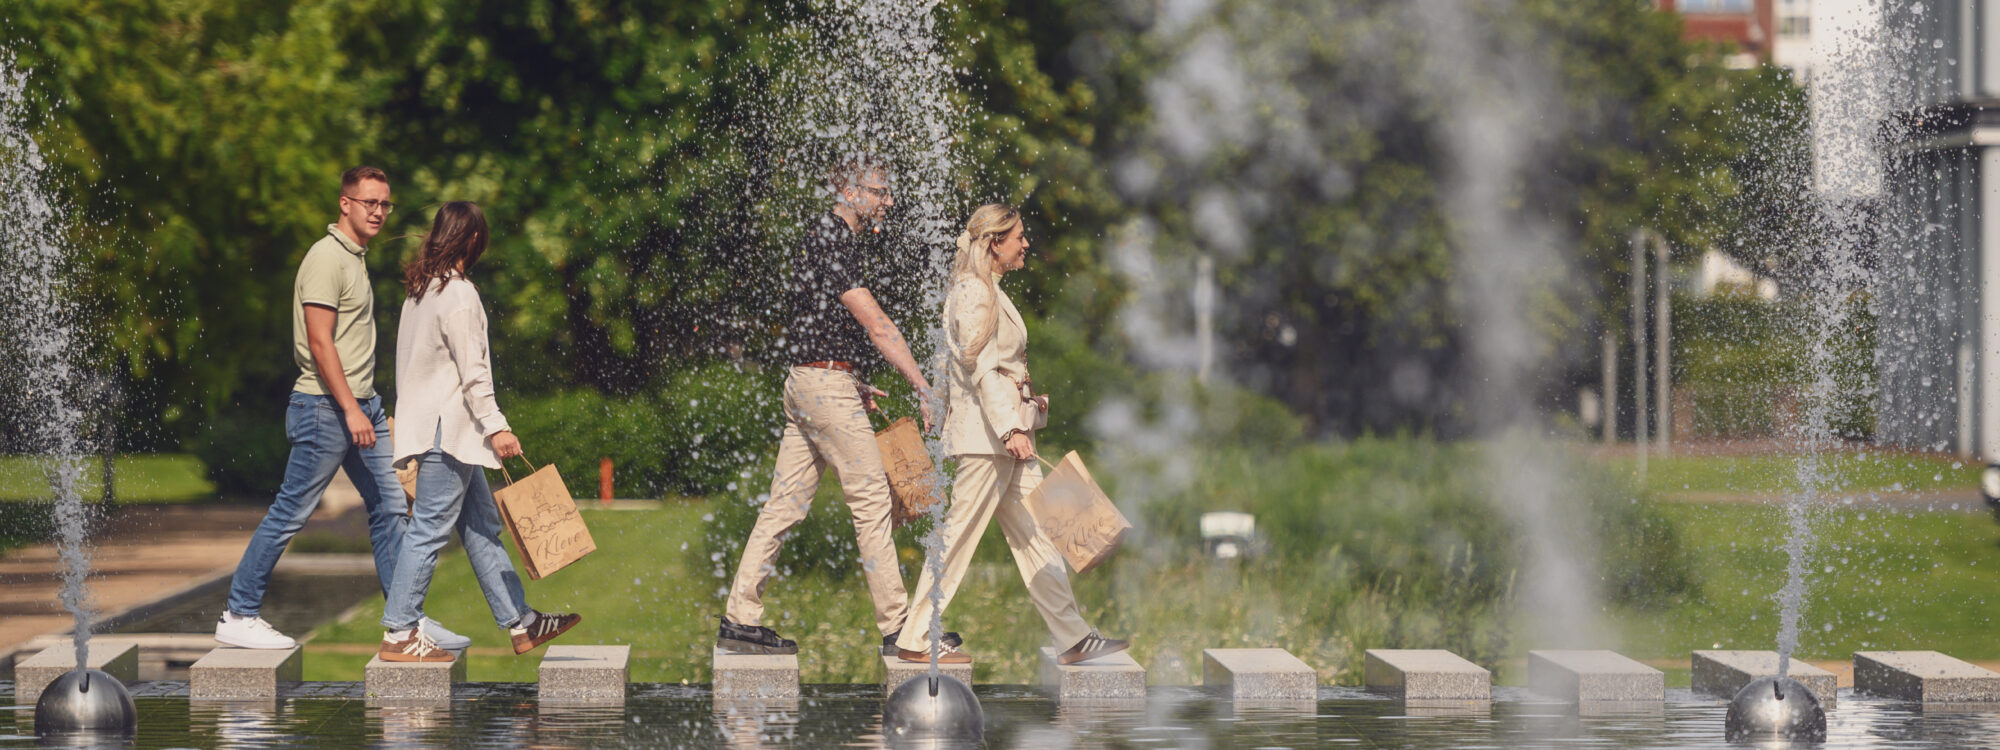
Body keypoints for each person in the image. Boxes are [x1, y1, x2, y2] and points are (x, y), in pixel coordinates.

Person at [217, 166, 470, 651]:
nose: (378, 211)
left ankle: (405, 622)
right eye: (368, 202)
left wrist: (365, 407)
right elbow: (319, 342)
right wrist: (352, 408)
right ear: (345, 204)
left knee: (391, 507)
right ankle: (238, 613)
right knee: (293, 510)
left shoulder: (354, 259)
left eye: (384, 204)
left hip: (361, 406)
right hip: (326, 408)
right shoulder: (326, 258)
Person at [716, 155, 943, 657]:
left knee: (782, 507)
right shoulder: (833, 237)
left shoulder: (824, 237)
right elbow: (876, 323)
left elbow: (816, 323)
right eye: (880, 191)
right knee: (872, 502)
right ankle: (900, 631)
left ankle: (738, 620)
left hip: (811, 383)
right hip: (822, 388)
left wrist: (848, 378)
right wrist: (924, 387)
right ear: (851, 189)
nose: (888, 200)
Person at [892, 204, 1128, 666]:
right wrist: (1011, 428)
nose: (1026, 244)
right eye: (1019, 236)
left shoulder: (984, 289)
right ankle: (916, 636)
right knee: (957, 537)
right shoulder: (976, 292)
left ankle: (1073, 638)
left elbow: (949, 361)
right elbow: (981, 369)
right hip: (989, 441)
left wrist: (942, 405)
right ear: (995, 242)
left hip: (999, 437)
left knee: (1039, 537)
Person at [377, 201, 581, 662]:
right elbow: (474, 373)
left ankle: (522, 623)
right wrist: (498, 428)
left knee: (483, 527)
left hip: (432, 429)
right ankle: (399, 632)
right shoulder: (460, 294)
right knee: (429, 529)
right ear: (473, 240)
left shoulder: (420, 292)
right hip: (447, 432)